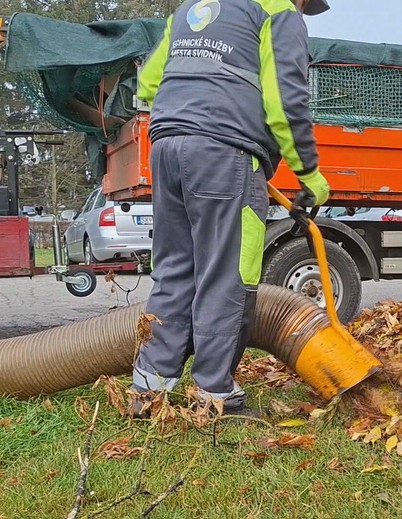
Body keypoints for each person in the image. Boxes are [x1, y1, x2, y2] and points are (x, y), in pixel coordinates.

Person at [129, 0, 331, 417]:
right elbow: (286, 102)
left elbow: (148, 83)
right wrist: (309, 176)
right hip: (224, 152)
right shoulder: (278, 12)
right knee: (228, 275)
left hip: (165, 147)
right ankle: (214, 395)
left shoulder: (189, 9)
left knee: (174, 270)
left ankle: (149, 392)